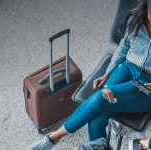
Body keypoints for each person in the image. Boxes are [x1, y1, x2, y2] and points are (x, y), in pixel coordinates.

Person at [28, 0, 151, 149]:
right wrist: (108, 72)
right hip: (127, 68)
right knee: (98, 115)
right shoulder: (136, 18)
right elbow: (125, 46)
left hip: (147, 84)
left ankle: (53, 138)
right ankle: (98, 145)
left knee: (102, 97)